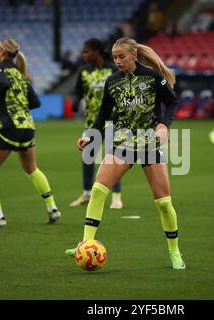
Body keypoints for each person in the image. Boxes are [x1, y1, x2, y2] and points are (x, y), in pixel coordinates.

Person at [65, 37, 186, 270]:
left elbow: (172, 103)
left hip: (149, 144)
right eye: (114, 57)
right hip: (123, 142)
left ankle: (174, 252)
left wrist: (163, 125)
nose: (117, 61)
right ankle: (86, 243)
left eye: (121, 56)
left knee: (163, 203)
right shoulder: (112, 81)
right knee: (99, 189)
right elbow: (103, 115)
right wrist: (91, 135)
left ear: (134, 55)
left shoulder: (153, 77)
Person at [0, 38, 61, 229]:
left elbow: (2, 84)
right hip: (27, 126)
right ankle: (53, 209)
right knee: (32, 170)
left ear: (2, 52)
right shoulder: (21, 75)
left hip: (9, 126)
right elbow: (36, 102)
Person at [70, 38, 123, 209]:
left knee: (112, 157)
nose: (83, 55)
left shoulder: (114, 70)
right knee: (87, 157)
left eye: (86, 51)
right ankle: (86, 194)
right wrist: (76, 101)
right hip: (93, 121)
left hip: (113, 120)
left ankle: (116, 196)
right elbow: (78, 90)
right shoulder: (84, 71)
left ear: (97, 51)